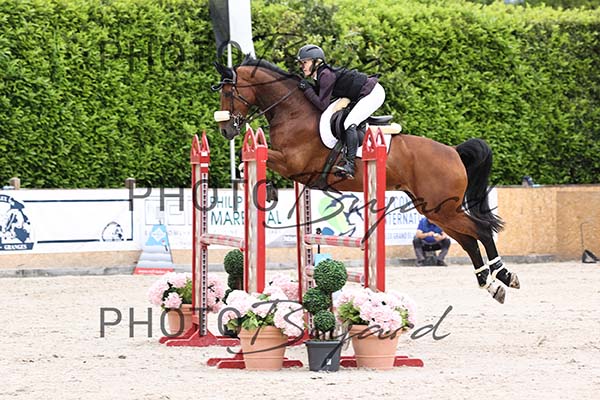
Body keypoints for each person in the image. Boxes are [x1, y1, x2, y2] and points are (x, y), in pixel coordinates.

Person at [296, 44, 386, 179]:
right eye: (300, 63)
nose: (302, 66)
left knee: (349, 122)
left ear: (317, 62)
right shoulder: (320, 75)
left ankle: (350, 165)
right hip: (360, 93)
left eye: (305, 62)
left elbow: (322, 104)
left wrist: (307, 89)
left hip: (373, 93)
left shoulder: (325, 75)